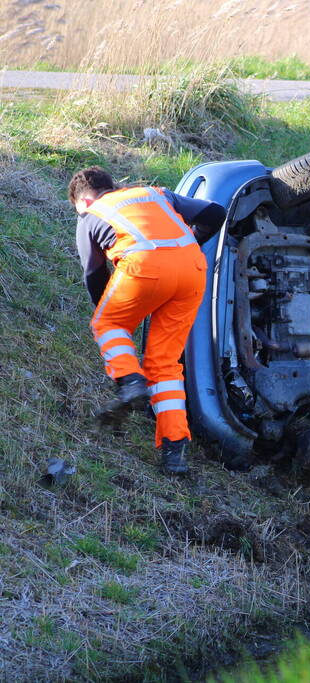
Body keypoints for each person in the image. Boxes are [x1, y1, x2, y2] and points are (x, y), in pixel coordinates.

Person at [69, 166, 226, 475]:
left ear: (83, 201)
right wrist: (192, 243)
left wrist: (117, 312)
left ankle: (130, 382)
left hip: (144, 266)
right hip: (192, 270)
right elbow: (215, 213)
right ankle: (174, 450)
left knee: (107, 324)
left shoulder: (90, 215)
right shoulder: (156, 194)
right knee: (164, 363)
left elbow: (94, 273)